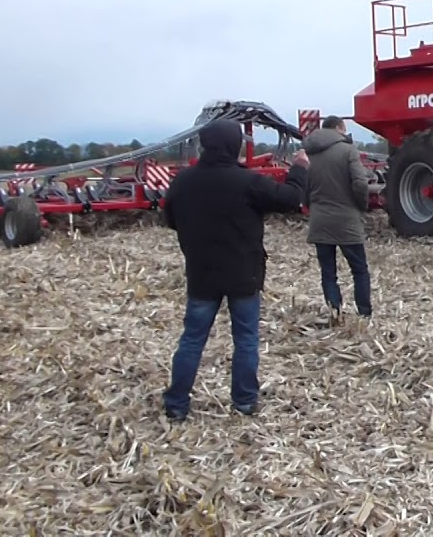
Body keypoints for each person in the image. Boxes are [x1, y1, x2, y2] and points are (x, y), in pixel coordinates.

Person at [160, 118, 309, 422]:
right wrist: (299, 170)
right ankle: (243, 401)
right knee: (246, 339)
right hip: (244, 273)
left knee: (192, 339)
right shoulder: (247, 182)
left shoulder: (183, 182)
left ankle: (176, 404)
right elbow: (291, 199)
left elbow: (170, 219)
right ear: (234, 145)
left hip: (201, 273)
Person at [302, 115, 373, 320]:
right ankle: (364, 314)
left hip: (320, 221)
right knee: (359, 270)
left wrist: (311, 206)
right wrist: (362, 206)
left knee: (328, 271)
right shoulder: (348, 150)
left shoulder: (309, 153)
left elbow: (303, 187)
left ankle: (335, 312)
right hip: (346, 220)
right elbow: (360, 183)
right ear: (340, 128)